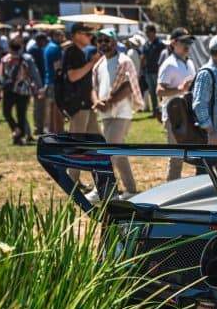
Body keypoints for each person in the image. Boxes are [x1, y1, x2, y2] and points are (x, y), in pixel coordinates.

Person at [88, 28, 144, 203]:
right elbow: (94, 88)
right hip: (105, 113)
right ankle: (131, 190)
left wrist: (109, 102)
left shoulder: (124, 61)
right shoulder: (98, 64)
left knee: (108, 150)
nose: (103, 44)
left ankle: (101, 189)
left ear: (114, 42)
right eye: (100, 41)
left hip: (121, 112)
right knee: (118, 152)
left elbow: (128, 87)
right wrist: (97, 101)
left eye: (107, 40)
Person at [63, 23, 102, 187]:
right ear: (77, 35)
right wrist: (91, 63)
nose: (90, 37)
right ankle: (72, 180)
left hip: (87, 104)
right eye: (87, 34)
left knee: (96, 142)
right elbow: (72, 76)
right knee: (78, 143)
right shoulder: (71, 52)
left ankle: (98, 179)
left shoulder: (80, 52)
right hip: (78, 105)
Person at [157, 28, 196, 181]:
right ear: (173, 43)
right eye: (183, 41)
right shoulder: (169, 64)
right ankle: (171, 189)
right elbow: (159, 91)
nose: (187, 45)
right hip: (173, 117)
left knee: (193, 155)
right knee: (176, 157)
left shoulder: (190, 62)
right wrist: (180, 89)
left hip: (188, 115)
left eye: (189, 41)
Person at [0, 36, 44, 145]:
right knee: (21, 114)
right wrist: (40, 87)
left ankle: (15, 130)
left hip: (9, 89)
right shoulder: (27, 58)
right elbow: (35, 73)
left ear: (9, 47)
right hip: (24, 90)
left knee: (6, 112)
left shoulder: (5, 59)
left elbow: (1, 76)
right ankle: (19, 136)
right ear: (21, 47)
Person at [27, 32, 50, 134]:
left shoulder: (36, 49)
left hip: (41, 80)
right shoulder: (34, 50)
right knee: (40, 106)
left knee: (41, 106)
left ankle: (40, 127)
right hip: (39, 81)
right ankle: (39, 127)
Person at [141, 24, 164, 119]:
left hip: (157, 71)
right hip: (148, 71)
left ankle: (163, 111)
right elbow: (143, 57)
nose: (147, 34)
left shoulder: (160, 44)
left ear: (153, 32)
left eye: (148, 32)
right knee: (152, 93)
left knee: (161, 92)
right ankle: (155, 112)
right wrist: (142, 69)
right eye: (146, 32)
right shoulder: (146, 44)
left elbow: (163, 58)